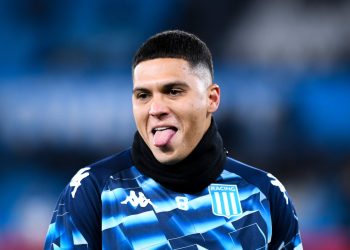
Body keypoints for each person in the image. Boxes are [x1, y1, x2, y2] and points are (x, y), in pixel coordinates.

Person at [44, 30, 303, 250]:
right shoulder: (94, 190)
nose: (156, 108)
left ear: (211, 99)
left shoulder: (263, 193)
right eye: (143, 95)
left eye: (173, 91)